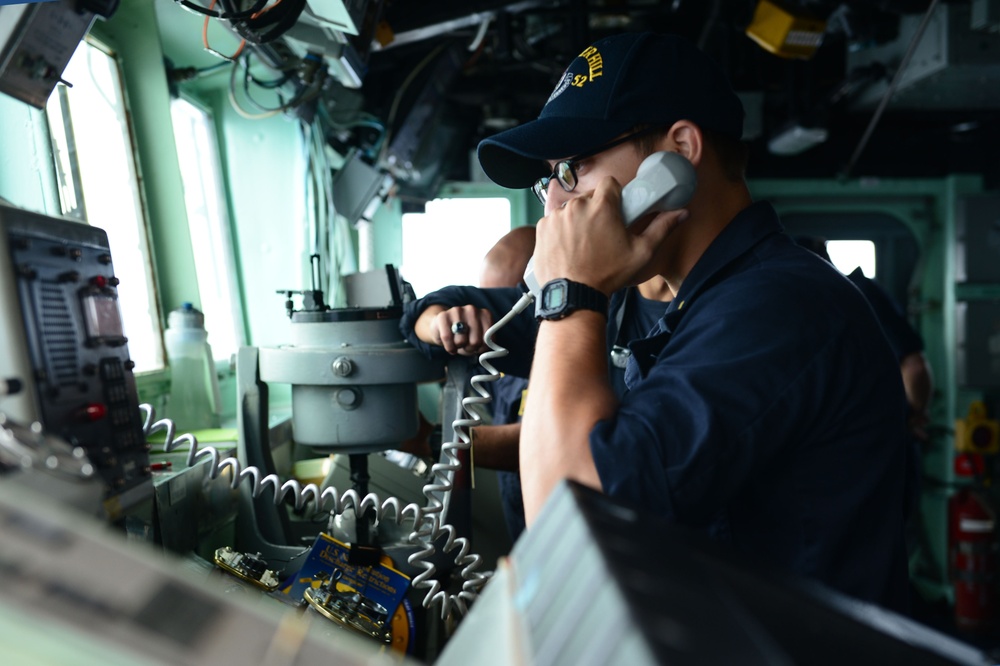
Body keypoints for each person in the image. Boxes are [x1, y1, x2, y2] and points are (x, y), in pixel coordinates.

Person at [402, 32, 910, 612]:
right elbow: (448, 314)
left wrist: (572, 290)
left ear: (678, 153)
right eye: (551, 179)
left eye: (575, 167)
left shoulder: (780, 309)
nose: (556, 208)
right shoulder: (636, 296)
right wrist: (432, 319)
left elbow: (574, 522)